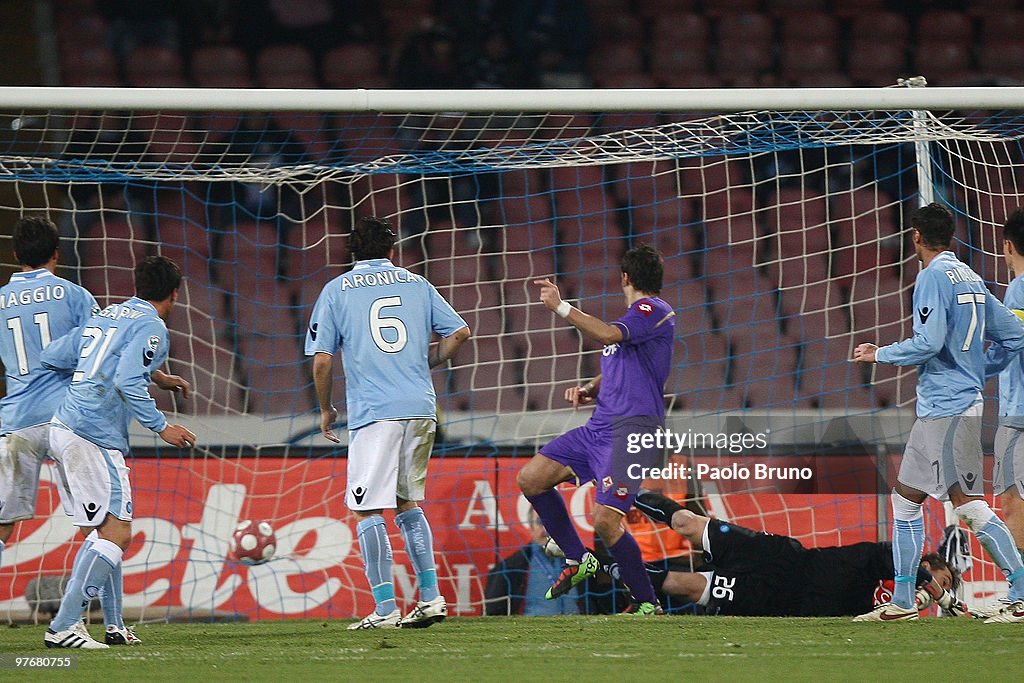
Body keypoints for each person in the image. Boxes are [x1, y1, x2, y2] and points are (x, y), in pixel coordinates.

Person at [0, 217, 188, 646]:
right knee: (105, 528)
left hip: (15, 420)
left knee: (10, 528)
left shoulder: (4, 300)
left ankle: (110, 626)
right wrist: (160, 420)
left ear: (15, 254)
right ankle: (86, 623)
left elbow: (69, 347)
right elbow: (116, 367)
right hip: (77, 420)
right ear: (56, 254)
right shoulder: (78, 295)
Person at [851, 202, 1024, 623]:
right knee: (905, 499)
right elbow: (1015, 334)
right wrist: (980, 368)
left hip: (951, 408)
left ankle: (1021, 591)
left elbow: (927, 342)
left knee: (967, 505)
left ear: (915, 237)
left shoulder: (931, 277)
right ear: (950, 236)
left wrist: (879, 354)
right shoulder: (970, 275)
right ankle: (905, 600)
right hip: (940, 408)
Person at [305, 216, 470, 629]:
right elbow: (460, 332)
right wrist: (426, 361)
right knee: (406, 503)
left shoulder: (337, 290)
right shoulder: (417, 283)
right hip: (421, 407)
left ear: (353, 254)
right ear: (392, 252)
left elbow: (323, 359)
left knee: (366, 510)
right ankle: (430, 598)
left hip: (375, 413)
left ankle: (384, 609)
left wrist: (325, 408)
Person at [40, 255, 196, 649]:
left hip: (64, 427)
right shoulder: (153, 326)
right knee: (118, 533)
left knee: (104, 531)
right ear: (174, 294)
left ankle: (113, 625)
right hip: (93, 435)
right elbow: (128, 379)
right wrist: (163, 427)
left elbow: (54, 356)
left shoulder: (108, 314)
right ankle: (63, 626)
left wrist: (157, 375)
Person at [517, 244, 674, 615]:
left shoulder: (653, 310)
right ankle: (578, 558)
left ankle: (646, 604)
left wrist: (561, 307)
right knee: (531, 478)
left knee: (606, 519)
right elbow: (620, 359)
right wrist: (591, 388)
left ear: (625, 278)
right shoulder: (636, 321)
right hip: (599, 426)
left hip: (632, 432)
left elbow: (606, 336)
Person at [633, 490, 967, 618]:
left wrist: (925, 599)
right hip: (779, 557)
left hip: (774, 601)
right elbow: (891, 555)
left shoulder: (892, 608)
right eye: (946, 578)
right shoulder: (890, 564)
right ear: (926, 564)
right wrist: (936, 592)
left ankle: (607, 565)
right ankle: (621, 487)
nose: (946, 586)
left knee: (685, 586)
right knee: (687, 523)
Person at [981, 207, 1024, 617]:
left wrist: (970, 367)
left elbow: (1013, 344)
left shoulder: (1019, 289)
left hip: (1019, 414)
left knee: (1011, 504)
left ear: (1007, 246)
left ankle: (1021, 597)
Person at [484, 514, 581, 616]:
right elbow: (494, 615)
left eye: (553, 523)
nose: (546, 530)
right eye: (540, 522)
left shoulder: (583, 562)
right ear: (531, 528)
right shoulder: (508, 569)